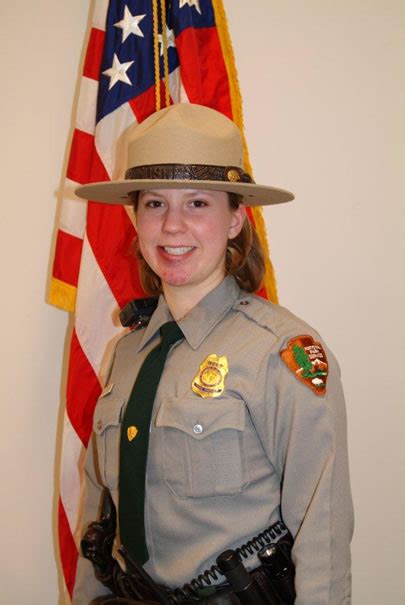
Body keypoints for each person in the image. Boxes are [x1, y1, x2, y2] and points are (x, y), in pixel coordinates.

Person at [72, 103, 354, 605]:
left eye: (198, 203)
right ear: (135, 218)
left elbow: (323, 529)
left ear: (234, 220)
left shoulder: (280, 352)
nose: (173, 226)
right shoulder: (128, 352)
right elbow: (100, 512)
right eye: (155, 203)